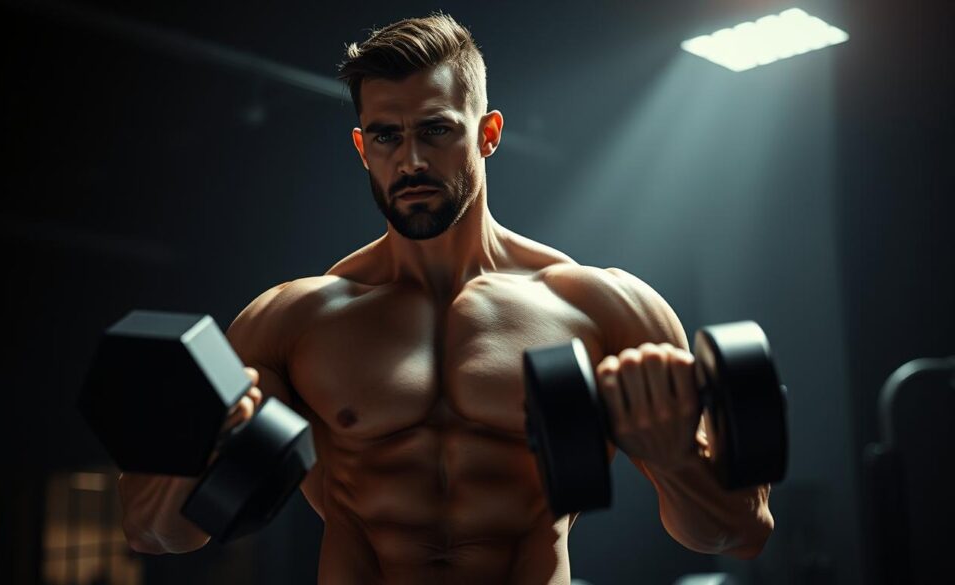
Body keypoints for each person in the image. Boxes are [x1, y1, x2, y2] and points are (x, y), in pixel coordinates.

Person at [118, 13, 773, 584]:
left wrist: (674, 461)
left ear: (487, 133)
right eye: (386, 136)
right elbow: (157, 534)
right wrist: (191, 461)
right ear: (361, 147)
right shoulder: (295, 321)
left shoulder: (601, 306)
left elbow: (737, 532)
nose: (410, 162)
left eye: (435, 130)